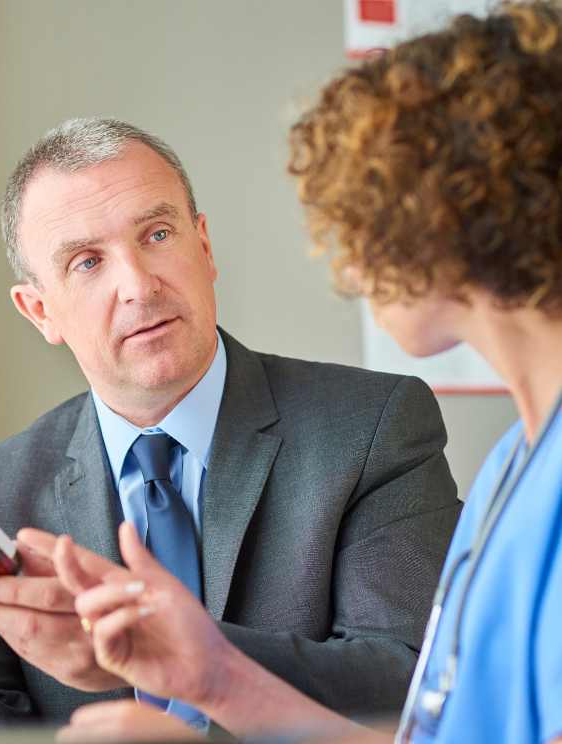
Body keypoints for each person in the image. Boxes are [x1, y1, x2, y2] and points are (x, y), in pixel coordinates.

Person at [0, 117, 459, 728]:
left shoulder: (374, 426)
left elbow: (410, 683)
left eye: (157, 235)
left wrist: (178, 651)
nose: (139, 286)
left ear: (204, 247)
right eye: (87, 262)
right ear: (39, 312)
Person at [53, 3, 562, 743]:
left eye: (367, 211)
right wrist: (215, 679)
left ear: (459, 213)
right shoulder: (516, 465)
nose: (350, 265)